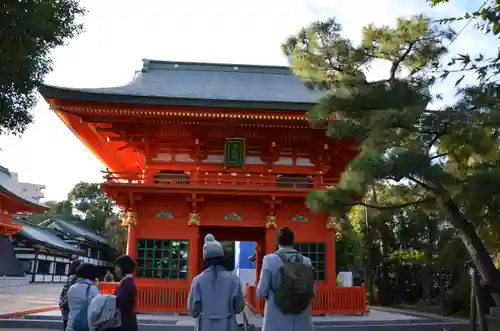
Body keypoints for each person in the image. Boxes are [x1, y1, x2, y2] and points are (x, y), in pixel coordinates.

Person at [256, 227, 315, 331]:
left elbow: (261, 292)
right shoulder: (307, 261)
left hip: (276, 320)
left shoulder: (269, 260)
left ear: (277, 241)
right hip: (302, 322)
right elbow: (312, 291)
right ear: (293, 241)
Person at [188, 234, 245, 331]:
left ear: (205, 259)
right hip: (228, 325)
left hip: (205, 325)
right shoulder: (233, 279)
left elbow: (193, 311)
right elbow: (239, 307)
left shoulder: (198, 280)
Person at [67, 263, 100, 331]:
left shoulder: (72, 288)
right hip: (85, 325)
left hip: (72, 324)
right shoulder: (93, 288)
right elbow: (97, 307)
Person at [113, 255, 138, 331]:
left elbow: (120, 302)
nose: (115, 270)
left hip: (124, 323)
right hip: (129, 321)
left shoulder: (126, 283)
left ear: (122, 268)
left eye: (116, 267)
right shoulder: (129, 282)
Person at [59, 260, 83, 331]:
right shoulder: (76, 278)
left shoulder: (70, 277)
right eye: (81, 266)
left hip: (65, 306)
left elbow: (63, 293)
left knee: (66, 325)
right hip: (70, 307)